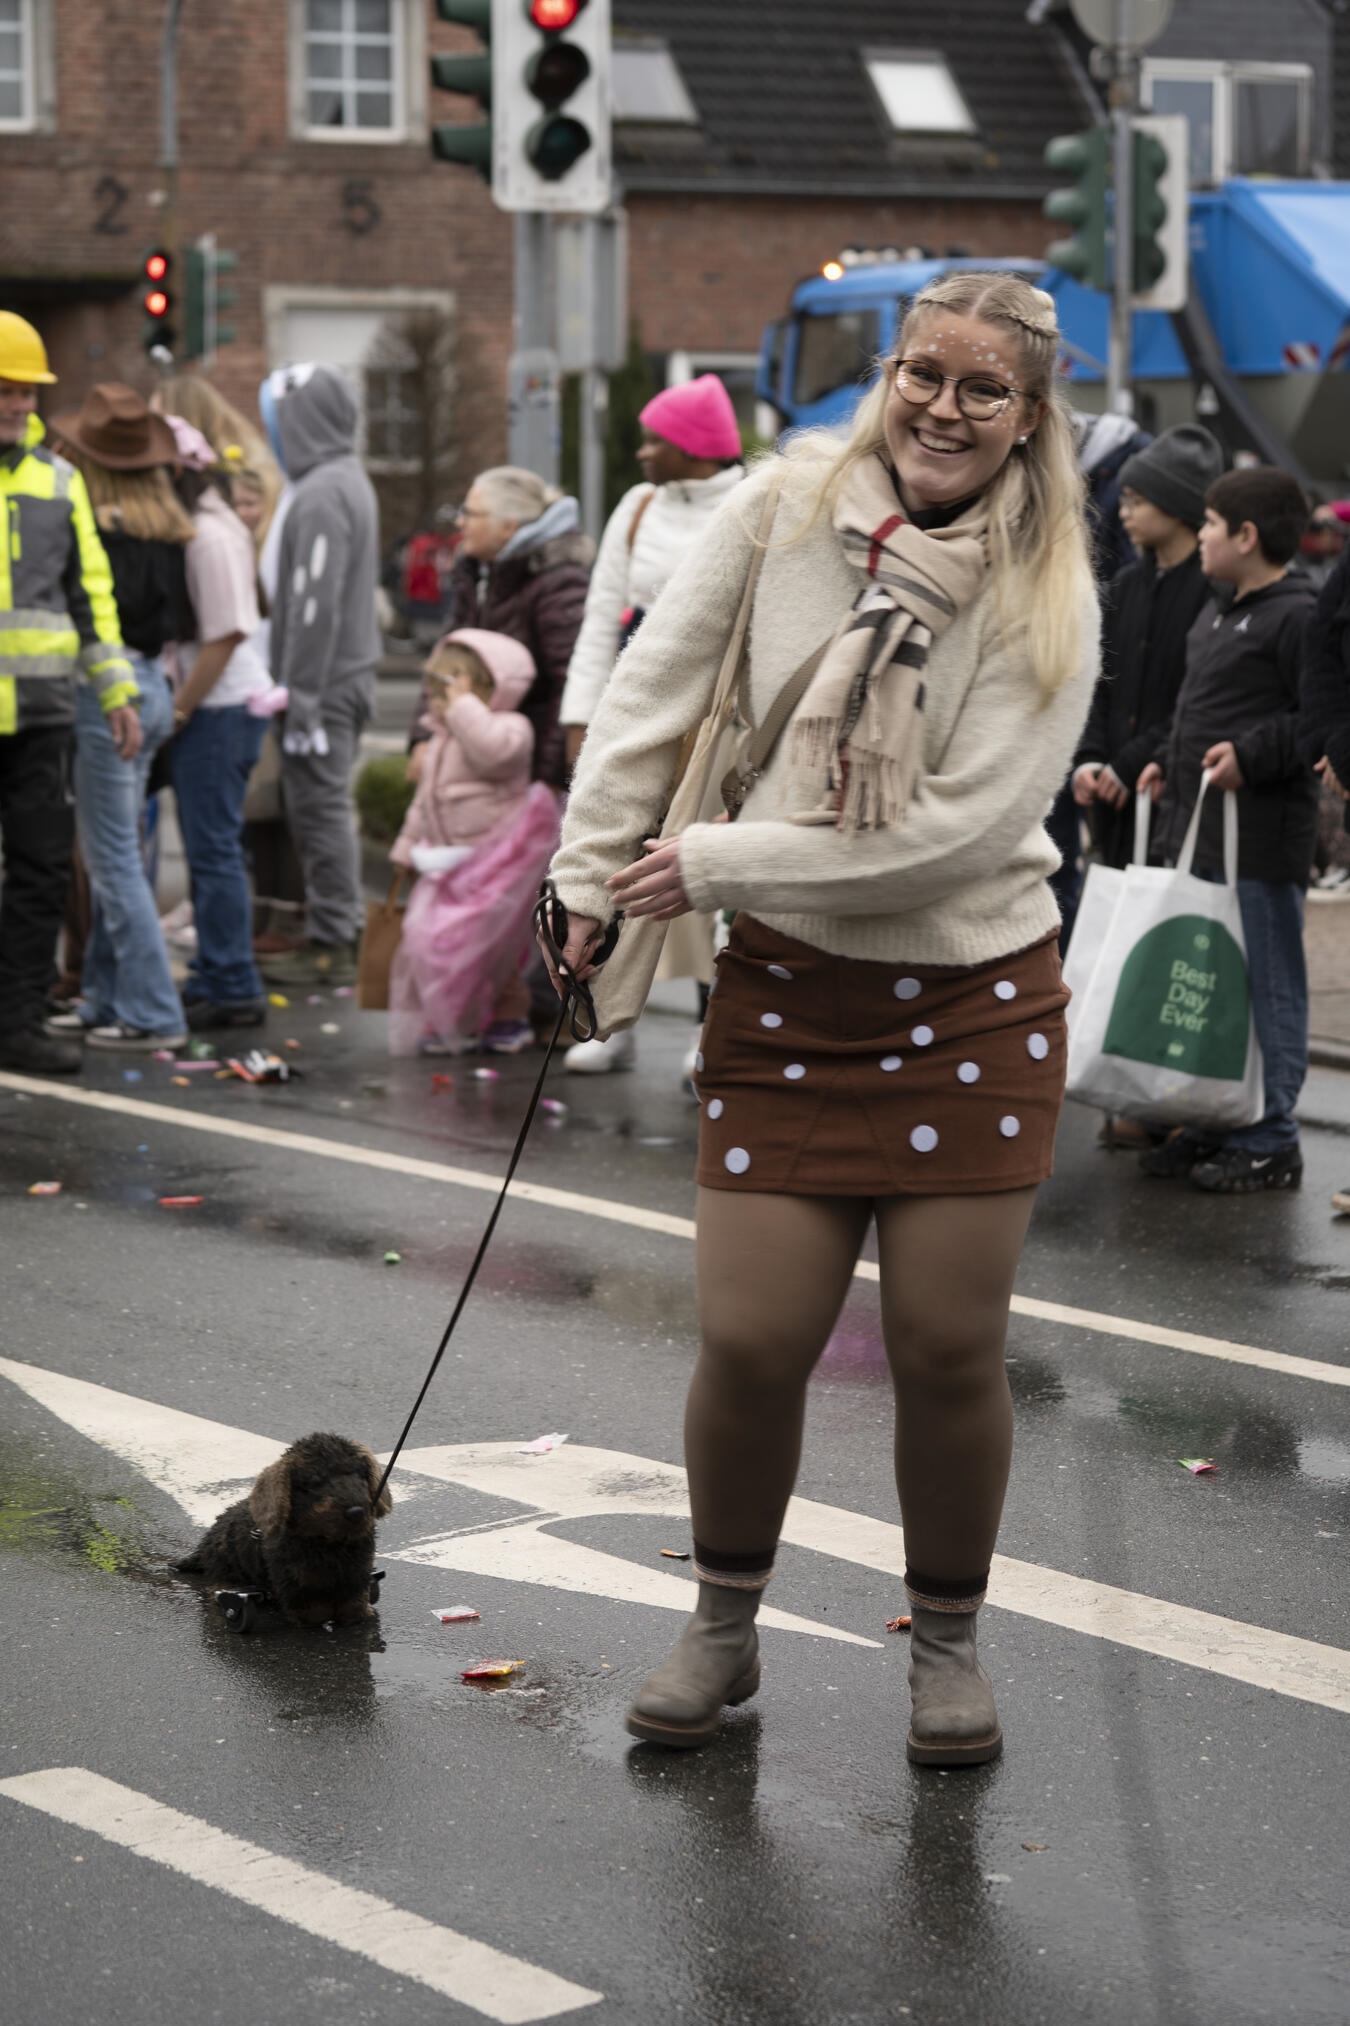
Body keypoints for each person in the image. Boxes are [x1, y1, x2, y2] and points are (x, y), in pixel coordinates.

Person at [543, 272, 1098, 1764]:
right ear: (887, 374)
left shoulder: (1051, 581)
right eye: (924, 373)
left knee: (944, 1345)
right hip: (788, 987)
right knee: (748, 1337)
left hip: (973, 995)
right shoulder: (781, 509)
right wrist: (583, 879)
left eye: (983, 389)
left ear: (1029, 415)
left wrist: (716, 863)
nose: (944, 409)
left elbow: (963, 833)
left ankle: (948, 1645)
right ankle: (721, 1628)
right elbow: (651, 698)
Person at [557, 375, 745, 1077]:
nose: (640, 454)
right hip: (640, 708)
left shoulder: (751, 503)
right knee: (620, 856)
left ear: (692, 448)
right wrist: (582, 719)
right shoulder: (636, 508)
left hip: (717, 719)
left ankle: (710, 1024)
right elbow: (600, 617)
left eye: (653, 441)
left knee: (701, 868)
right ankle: (607, 1014)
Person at [1137, 467, 1315, 1195]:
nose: (1202, 535)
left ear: (1246, 536)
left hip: (1262, 844)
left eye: (1211, 524)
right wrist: (1162, 758)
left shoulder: (1296, 616)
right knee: (1213, 992)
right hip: (1202, 832)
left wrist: (1252, 754)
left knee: (1269, 988)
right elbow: (1196, 707)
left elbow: (1318, 719)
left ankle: (1272, 1136)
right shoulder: (1218, 609)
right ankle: (1216, 1118)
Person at [0, 312, 140, 1074]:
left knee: (40, 873)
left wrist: (118, 695)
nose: (18, 405)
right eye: (5, 391)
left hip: (42, 719)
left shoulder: (60, 481)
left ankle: (17, 1021)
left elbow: (92, 595)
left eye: (26, 392)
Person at [45, 383, 192, 1050]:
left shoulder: (96, 529)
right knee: (122, 854)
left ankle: (154, 1010)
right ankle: (106, 998)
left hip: (108, 694)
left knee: (112, 863)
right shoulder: (168, 527)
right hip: (153, 684)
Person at [255, 363, 380, 989]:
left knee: (320, 811)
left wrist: (300, 694)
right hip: (339, 678)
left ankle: (333, 940)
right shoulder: (343, 479)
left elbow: (313, 603)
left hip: (324, 685)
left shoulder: (323, 491)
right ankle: (333, 929)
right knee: (320, 808)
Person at [388, 628, 561, 1057]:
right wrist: (406, 847)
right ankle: (453, 1019)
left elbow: (494, 753)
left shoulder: (512, 728)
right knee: (436, 942)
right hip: (448, 865)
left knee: (493, 952)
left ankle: (508, 1019)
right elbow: (424, 801)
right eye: (436, 692)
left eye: (447, 690)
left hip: (496, 864)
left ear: (489, 688)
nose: (438, 701)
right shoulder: (441, 738)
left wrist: (463, 707)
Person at [1072, 424, 1224, 869]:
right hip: (1113, 803)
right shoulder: (1124, 587)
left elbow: (1202, 699)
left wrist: (1134, 761)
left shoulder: (1214, 593)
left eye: (1137, 501)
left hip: (1173, 799)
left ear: (1176, 508)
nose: (1124, 513)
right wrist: (1090, 757)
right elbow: (1098, 682)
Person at [164, 415, 273, 1031]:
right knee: (212, 850)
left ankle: (232, 984)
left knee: (213, 852)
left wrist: (180, 709)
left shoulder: (209, 533)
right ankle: (217, 973)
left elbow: (226, 634)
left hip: (219, 709)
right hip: (219, 707)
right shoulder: (210, 524)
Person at [410, 466, 592, 798]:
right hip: (479, 763)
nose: (460, 523)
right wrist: (423, 737)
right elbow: (445, 660)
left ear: (508, 526)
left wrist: (547, 782)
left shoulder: (558, 580)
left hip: (521, 772)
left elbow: (569, 684)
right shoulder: (479, 572)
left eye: (470, 513)